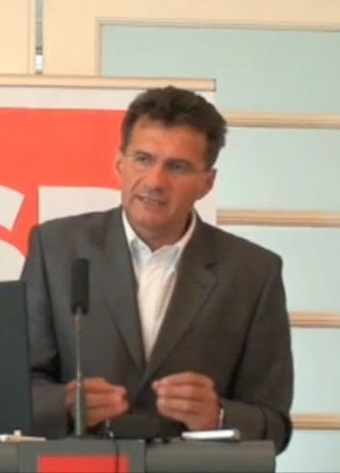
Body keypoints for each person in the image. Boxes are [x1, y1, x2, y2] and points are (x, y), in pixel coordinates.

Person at [20, 85, 293, 454]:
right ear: (119, 163)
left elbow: (275, 426)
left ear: (207, 183)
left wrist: (218, 415)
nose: (154, 182)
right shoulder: (55, 248)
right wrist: (64, 405)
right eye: (143, 159)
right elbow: (16, 389)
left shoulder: (253, 273)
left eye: (177, 167)